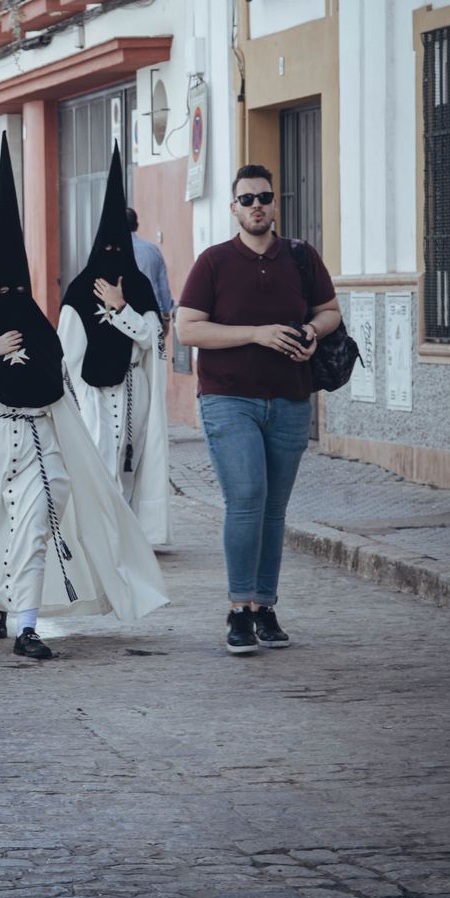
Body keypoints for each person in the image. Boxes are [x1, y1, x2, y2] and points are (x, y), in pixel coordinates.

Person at [0, 133, 167, 658]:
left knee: (35, 527)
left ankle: (26, 625)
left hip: (39, 439)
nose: (13, 298)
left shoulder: (38, 321)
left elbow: (58, 381)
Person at [174, 163, 341, 656]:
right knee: (246, 497)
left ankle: (265, 607)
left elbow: (330, 311)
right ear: (233, 208)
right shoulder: (213, 262)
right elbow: (187, 329)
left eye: (263, 197)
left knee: (273, 508)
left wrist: (313, 332)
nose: (256, 206)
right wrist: (256, 333)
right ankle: (238, 610)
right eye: (246, 199)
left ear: (274, 202)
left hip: (290, 398)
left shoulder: (301, 257)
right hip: (229, 397)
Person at [58, 145, 171, 546]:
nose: (111, 258)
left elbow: (153, 339)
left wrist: (121, 308)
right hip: (93, 396)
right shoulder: (77, 290)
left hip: (133, 389)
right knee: (98, 465)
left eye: (116, 251)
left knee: (129, 465)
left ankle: (128, 537)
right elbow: (67, 356)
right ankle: (98, 540)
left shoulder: (137, 286)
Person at [126, 207, 174, 328]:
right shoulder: (153, 250)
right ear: (136, 225)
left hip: (123, 316)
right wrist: (166, 317)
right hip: (152, 315)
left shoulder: (111, 253)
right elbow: (163, 287)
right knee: (154, 347)